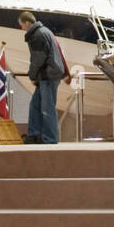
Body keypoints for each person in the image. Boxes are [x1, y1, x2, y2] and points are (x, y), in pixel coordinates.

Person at [19, 11, 65, 145]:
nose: (22, 28)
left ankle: (49, 138)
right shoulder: (44, 32)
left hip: (47, 76)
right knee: (36, 105)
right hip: (48, 75)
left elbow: (38, 58)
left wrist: (32, 75)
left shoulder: (38, 35)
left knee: (47, 108)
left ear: (27, 23)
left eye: (22, 25)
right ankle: (35, 135)